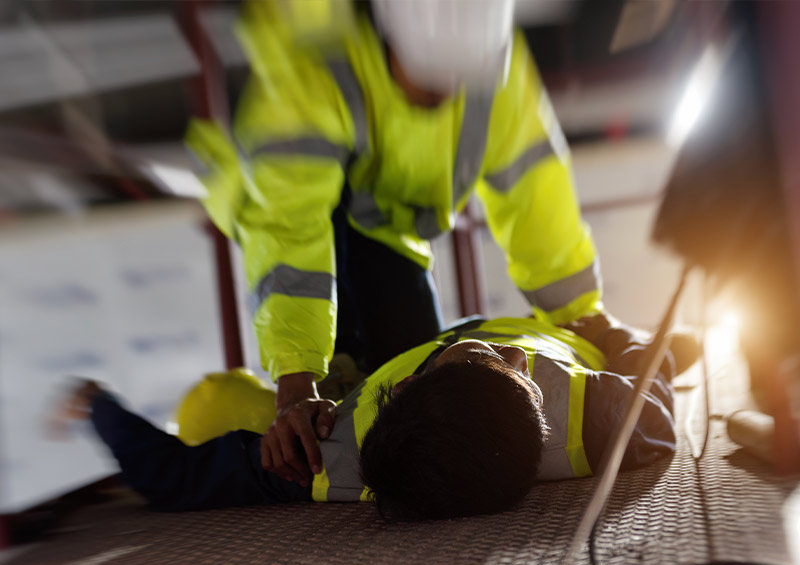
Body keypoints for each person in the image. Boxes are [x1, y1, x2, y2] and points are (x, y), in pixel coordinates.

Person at [184, 0, 697, 479]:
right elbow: (288, 229)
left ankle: (353, 372)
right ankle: (332, 372)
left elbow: (534, 189)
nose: (446, 94)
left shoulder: (494, 62)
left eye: (459, 81)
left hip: (385, 221)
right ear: (390, 41)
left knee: (422, 383)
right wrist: (296, 383)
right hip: (295, 211)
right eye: (428, 82)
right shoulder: (309, 71)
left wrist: (582, 316)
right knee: (361, 407)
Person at [60, 313, 676, 520]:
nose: (511, 351)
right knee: (650, 346)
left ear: (406, 384)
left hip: (385, 372)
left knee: (211, 408)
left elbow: (176, 479)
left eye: (494, 357)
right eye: (506, 362)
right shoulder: (598, 411)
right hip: (565, 333)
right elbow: (659, 405)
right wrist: (618, 341)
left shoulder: (327, 456)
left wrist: (99, 408)